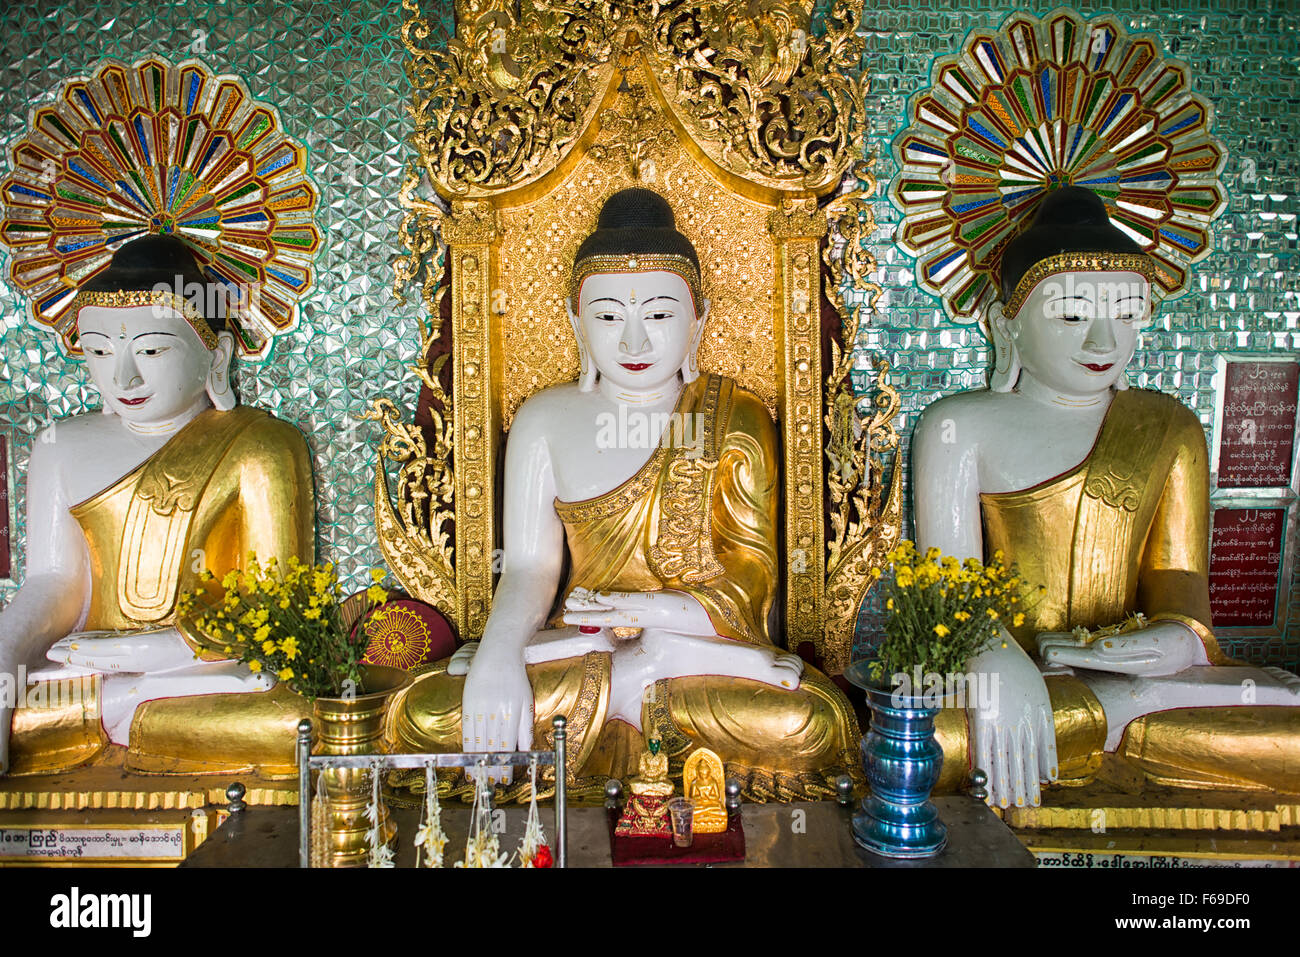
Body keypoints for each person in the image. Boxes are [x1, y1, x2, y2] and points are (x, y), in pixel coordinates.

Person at [387, 189, 860, 800]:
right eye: (609, 317)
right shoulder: (544, 420)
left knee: (810, 723)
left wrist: (650, 615)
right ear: (575, 320)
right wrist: (500, 655)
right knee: (424, 711)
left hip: (696, 648)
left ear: (699, 319)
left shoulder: (733, 416)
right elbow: (530, 568)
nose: (634, 344)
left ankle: (646, 672)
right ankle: (638, 677)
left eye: (660, 316)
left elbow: (751, 584)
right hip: (580, 646)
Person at [912, 187, 1300, 809]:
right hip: (1011, 678)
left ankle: (1122, 710)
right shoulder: (959, 426)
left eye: (1125, 313)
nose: (1102, 341)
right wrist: (993, 662)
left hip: (1144, 685)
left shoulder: (1167, 427)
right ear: (1004, 322)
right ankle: (1117, 716)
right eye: (1070, 315)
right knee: (927, 743)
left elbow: (1180, 587)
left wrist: (1168, 644)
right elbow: (945, 591)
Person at [0, 236, 314, 777]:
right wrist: (6, 654)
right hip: (88, 669)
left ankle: (117, 710)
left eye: (150, 350)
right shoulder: (62, 445)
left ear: (216, 355)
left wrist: (172, 649)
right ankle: (119, 706)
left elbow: (280, 601)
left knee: (297, 722)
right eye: (99, 351)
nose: (124, 378)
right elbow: (53, 581)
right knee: (15, 711)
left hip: (197, 673)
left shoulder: (261, 444)